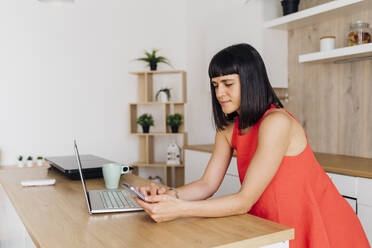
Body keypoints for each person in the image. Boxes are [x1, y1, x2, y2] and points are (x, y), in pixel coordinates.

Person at [135, 43, 370, 247]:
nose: (219, 93)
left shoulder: (276, 122)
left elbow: (243, 200)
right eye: (215, 85)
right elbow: (207, 184)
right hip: (272, 226)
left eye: (227, 83)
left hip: (323, 225)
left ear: (250, 82)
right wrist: (168, 195)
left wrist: (179, 209)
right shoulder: (228, 129)